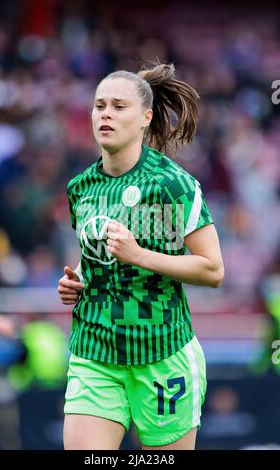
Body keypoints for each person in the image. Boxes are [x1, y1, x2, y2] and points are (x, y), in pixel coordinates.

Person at [58, 63, 224, 450]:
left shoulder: (174, 184)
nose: (106, 114)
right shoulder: (80, 187)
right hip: (94, 351)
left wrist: (139, 255)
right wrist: (77, 280)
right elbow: (96, 254)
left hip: (162, 354)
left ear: (146, 117)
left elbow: (213, 269)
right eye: (100, 106)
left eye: (119, 106)